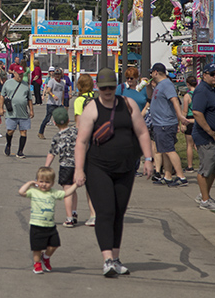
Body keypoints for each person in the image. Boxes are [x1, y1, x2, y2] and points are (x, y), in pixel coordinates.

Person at [74, 67, 154, 277]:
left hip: (126, 167)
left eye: (110, 87)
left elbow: (142, 132)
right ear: (97, 88)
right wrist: (79, 170)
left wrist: (148, 159)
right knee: (106, 212)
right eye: (103, 88)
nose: (107, 91)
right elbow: (81, 142)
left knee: (119, 212)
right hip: (98, 167)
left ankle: (116, 259)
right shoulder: (91, 108)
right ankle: (107, 259)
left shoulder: (127, 105)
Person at [19, 166, 79, 274]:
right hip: (36, 224)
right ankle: (37, 264)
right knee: (37, 248)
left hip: (50, 225)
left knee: (55, 244)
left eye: (47, 182)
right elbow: (21, 192)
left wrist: (76, 185)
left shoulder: (53, 192)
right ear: (37, 181)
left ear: (52, 183)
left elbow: (66, 193)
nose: (44, 184)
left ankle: (46, 257)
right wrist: (30, 183)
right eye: (41, 181)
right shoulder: (33, 192)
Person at [147, 62, 189, 187]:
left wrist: (180, 116)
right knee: (164, 150)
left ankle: (181, 177)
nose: (151, 75)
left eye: (152, 72)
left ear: (156, 72)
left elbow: (175, 100)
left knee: (170, 150)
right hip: (159, 123)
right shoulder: (160, 85)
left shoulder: (166, 85)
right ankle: (168, 176)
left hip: (166, 123)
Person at [191, 63, 215, 210]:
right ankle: (205, 201)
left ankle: (204, 195)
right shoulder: (201, 90)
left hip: (214, 137)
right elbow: (197, 112)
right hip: (205, 136)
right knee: (205, 168)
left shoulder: (211, 90)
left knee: (213, 168)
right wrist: (209, 131)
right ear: (204, 75)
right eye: (212, 74)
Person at [45, 107, 79, 227]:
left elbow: (52, 153)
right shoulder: (76, 131)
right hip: (79, 165)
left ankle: (69, 218)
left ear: (54, 122)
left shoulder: (57, 137)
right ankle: (74, 213)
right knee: (73, 190)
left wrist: (46, 167)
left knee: (67, 192)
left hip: (66, 166)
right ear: (68, 120)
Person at [72, 73, 97, 226]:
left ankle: (93, 214)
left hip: (87, 142)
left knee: (88, 180)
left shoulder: (79, 101)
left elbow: (79, 125)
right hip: (101, 140)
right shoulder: (97, 98)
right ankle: (98, 212)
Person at [0, 64, 34, 158]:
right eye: (19, 74)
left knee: (23, 132)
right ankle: (8, 144)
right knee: (10, 131)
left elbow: (29, 99)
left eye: (22, 74)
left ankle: (20, 151)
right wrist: (1, 108)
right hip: (11, 112)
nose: (20, 76)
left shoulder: (25, 84)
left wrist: (31, 110)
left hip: (23, 113)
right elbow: (2, 96)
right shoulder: (8, 83)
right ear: (14, 73)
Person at [38, 67, 65, 139]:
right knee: (47, 118)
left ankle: (62, 134)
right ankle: (40, 132)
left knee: (62, 119)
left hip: (59, 104)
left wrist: (62, 102)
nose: (57, 76)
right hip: (51, 103)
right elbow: (48, 90)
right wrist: (53, 96)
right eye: (56, 74)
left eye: (58, 74)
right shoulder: (51, 81)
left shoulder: (62, 83)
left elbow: (62, 93)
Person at [181, 75, 198, 172]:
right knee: (197, 144)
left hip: (189, 119)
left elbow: (185, 111)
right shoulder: (199, 94)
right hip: (198, 118)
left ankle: (190, 165)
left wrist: (183, 122)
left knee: (189, 144)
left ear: (188, 84)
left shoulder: (187, 96)